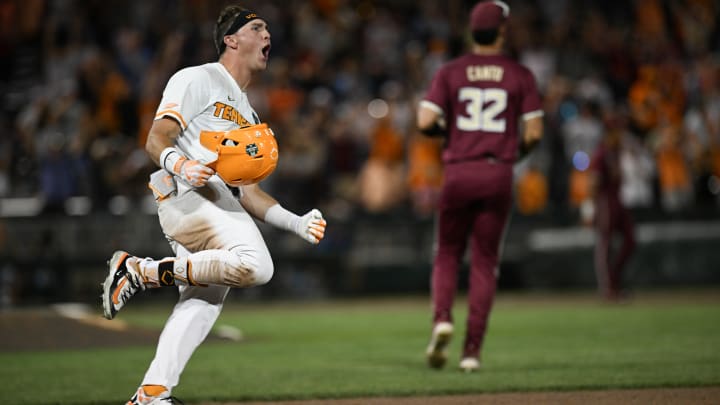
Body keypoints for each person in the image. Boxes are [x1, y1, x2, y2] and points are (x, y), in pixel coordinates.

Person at [100, 5, 327, 404]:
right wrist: (181, 162)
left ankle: (152, 394)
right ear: (231, 39)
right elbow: (156, 138)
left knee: (204, 298)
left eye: (269, 28)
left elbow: (250, 192)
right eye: (257, 27)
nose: (268, 35)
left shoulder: (246, 110)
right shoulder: (198, 77)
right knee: (257, 266)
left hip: (212, 199)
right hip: (187, 193)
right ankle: (140, 271)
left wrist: (295, 222)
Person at [416, 0, 543, 372]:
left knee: (447, 254)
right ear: (502, 30)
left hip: (459, 170)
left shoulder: (451, 71)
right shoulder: (520, 74)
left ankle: (442, 319)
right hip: (497, 171)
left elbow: (425, 121)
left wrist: (452, 133)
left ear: (472, 31)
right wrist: (513, 153)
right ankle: (471, 353)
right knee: (485, 261)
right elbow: (534, 132)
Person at [586, 113, 636, 300]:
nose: (621, 134)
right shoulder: (602, 153)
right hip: (605, 201)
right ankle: (608, 288)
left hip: (618, 199)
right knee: (605, 245)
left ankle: (615, 281)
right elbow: (593, 184)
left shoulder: (617, 151)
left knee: (630, 240)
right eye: (618, 130)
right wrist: (589, 209)